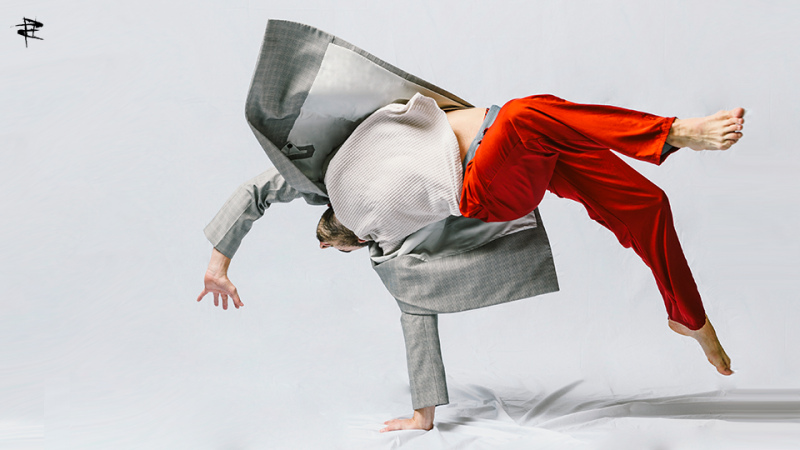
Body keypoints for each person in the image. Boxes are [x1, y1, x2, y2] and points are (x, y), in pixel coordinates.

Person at [198, 93, 745, 433]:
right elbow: (417, 314)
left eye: (334, 243)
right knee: (527, 115)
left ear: (325, 235)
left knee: (646, 205)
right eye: (344, 248)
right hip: (489, 183)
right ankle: (670, 132)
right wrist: (424, 412)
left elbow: (260, 189)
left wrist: (219, 260)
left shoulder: (326, 180)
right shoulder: (386, 243)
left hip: (521, 146)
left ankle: (688, 317)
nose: (340, 246)